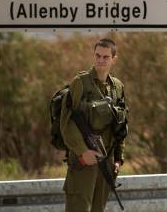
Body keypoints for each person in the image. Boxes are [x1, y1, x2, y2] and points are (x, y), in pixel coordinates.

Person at [60, 38, 128, 212]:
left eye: (106, 57)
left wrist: (118, 158)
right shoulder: (80, 83)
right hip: (84, 160)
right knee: (78, 208)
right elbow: (67, 123)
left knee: (99, 208)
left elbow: (120, 126)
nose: (100, 60)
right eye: (97, 55)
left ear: (114, 59)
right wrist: (83, 151)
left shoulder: (117, 87)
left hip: (107, 160)